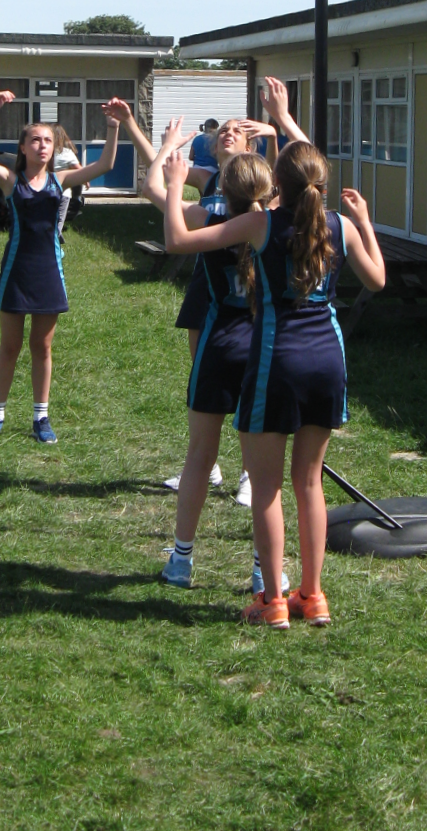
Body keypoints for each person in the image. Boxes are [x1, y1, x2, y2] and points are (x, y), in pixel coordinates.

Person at [161, 141, 385, 629]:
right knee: (310, 483)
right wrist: (364, 220)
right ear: (321, 185)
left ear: (275, 183)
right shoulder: (340, 226)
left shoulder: (261, 224)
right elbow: (377, 279)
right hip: (329, 358)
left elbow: (178, 240)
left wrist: (175, 182)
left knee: (266, 487)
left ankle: (272, 600)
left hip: (277, 359)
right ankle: (314, 595)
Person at [106, 79, 304, 502]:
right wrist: (137, 129)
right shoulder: (210, 181)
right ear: (213, 149)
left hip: (256, 298)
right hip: (211, 291)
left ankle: (250, 473)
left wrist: (281, 124)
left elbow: (308, 171)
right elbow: (161, 179)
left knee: (253, 382)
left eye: (238, 127)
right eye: (222, 130)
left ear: (255, 143)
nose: (228, 132)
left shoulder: (268, 189)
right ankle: (206, 464)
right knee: (206, 375)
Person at [144, 140, 285, 593]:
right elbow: (308, 176)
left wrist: (172, 181)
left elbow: (171, 237)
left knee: (200, 456)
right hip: (262, 347)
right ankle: (265, 571)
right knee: (262, 473)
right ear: (269, 189)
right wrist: (280, 126)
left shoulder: (208, 218)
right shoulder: (275, 223)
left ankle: (181, 560)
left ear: (223, 188)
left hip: (218, 342)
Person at [0, 90, 119, 444]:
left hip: (50, 271)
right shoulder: (10, 181)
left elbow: (106, 166)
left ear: (54, 147)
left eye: (48, 140)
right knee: (9, 347)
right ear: (22, 147)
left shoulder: (60, 180)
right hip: (16, 271)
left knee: (42, 347)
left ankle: (41, 417)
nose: (42, 145)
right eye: (34, 140)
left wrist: (112, 127)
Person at [53, 124, 84, 240]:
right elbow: (79, 169)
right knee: (60, 218)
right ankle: (56, 238)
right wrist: (85, 180)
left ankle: (54, 237)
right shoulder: (66, 153)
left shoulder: (44, 153)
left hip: (45, 190)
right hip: (63, 192)